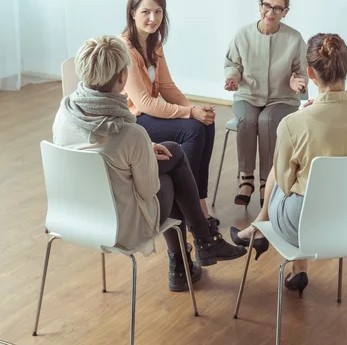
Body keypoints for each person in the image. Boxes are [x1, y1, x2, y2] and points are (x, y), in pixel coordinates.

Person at [52, 36, 246, 292]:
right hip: (122, 224)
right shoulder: (129, 134)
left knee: (173, 152)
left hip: (74, 215)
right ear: (122, 78)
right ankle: (195, 248)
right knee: (171, 177)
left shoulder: (64, 114)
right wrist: (141, 153)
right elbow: (147, 190)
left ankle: (191, 253)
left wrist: (142, 152)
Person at [230, 33, 347, 296]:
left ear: (310, 73)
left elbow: (284, 184)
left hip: (304, 229)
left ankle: (262, 232)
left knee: (284, 172)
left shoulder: (295, 124)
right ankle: (296, 269)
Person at [121, 0, 216, 219]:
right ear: (133, 13)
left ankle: (198, 200)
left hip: (149, 115)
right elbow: (143, 103)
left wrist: (194, 110)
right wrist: (189, 113)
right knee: (193, 130)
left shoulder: (154, 43)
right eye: (146, 12)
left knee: (206, 122)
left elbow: (166, 87)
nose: (153, 18)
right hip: (133, 120)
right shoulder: (125, 48)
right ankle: (187, 205)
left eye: (159, 11)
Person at [224, 0, 308, 207]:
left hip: (282, 99)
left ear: (285, 12)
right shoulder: (243, 34)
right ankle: (247, 178)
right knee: (247, 119)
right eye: (266, 6)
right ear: (260, 5)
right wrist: (233, 77)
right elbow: (233, 63)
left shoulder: (294, 39)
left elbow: (302, 72)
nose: (270, 13)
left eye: (277, 9)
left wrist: (297, 82)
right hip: (247, 95)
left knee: (267, 120)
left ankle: (266, 182)